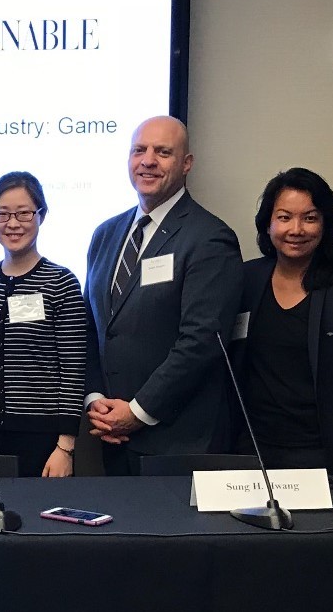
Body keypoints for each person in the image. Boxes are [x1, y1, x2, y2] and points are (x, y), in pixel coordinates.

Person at [83, 115, 243, 475]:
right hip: (111, 437)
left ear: (187, 164)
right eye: (139, 150)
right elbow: (93, 327)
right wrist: (97, 400)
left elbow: (201, 341)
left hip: (179, 443)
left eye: (163, 152)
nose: (148, 161)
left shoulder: (210, 238)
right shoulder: (105, 234)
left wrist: (137, 411)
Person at [230, 168, 333, 474]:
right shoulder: (246, 280)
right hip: (250, 451)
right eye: (284, 217)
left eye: (310, 218)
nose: (296, 229)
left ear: (326, 224)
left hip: (321, 455)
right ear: (268, 224)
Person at [0, 171, 87, 477]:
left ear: (41, 216)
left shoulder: (61, 282)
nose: (13, 223)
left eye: (23, 213)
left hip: (43, 438)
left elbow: (73, 369)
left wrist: (65, 446)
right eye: (2, 214)